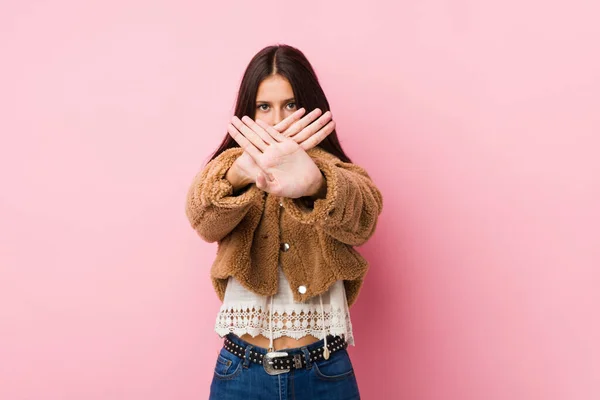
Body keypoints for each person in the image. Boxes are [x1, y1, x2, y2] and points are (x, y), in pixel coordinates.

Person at [185, 44, 383, 399]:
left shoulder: (332, 170)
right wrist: (238, 173)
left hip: (324, 372)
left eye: (290, 105)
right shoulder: (228, 170)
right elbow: (202, 220)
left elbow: (364, 219)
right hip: (241, 373)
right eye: (265, 107)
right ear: (249, 111)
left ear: (308, 106)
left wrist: (318, 183)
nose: (277, 121)